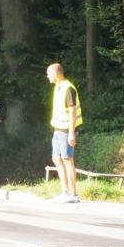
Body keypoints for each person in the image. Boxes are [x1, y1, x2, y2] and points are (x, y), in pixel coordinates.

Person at [46, 63, 82, 204]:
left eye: (49, 74)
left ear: (55, 74)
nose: (47, 76)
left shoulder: (68, 88)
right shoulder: (58, 87)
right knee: (56, 158)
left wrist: (71, 134)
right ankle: (65, 192)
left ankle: (73, 194)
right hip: (58, 128)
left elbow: (73, 112)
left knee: (68, 160)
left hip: (66, 129)